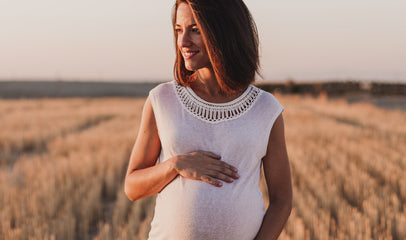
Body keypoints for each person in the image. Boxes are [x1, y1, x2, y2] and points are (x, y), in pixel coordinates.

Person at [124, 0, 292, 239]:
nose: (183, 42)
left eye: (195, 30)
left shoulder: (265, 109)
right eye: (178, 30)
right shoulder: (162, 99)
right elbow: (132, 187)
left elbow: (282, 200)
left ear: (224, 31)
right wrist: (175, 165)